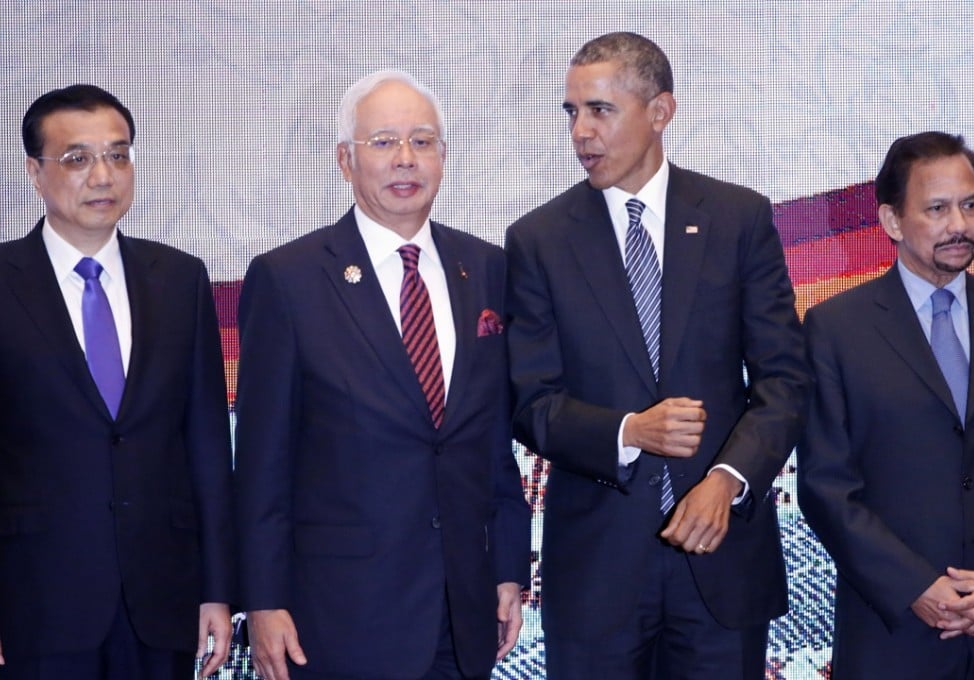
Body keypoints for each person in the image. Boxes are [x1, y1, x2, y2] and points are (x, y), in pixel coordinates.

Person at [505, 32, 810, 679]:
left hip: (722, 563)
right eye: (572, 112)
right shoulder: (539, 240)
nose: (582, 131)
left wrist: (726, 482)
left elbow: (785, 380)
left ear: (660, 111)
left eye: (600, 110)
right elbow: (530, 402)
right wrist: (628, 431)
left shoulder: (738, 219)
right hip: (595, 573)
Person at [234, 69, 531, 680]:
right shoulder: (288, 279)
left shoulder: (488, 267)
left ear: (443, 157)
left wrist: (506, 568)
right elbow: (263, 463)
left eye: (423, 141)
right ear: (346, 159)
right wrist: (263, 601)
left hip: (464, 607)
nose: (405, 159)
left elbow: (491, 441)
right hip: (338, 617)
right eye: (384, 142)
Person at [0, 84, 235, 679]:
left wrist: (216, 588)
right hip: (34, 601)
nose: (103, 175)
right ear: (35, 171)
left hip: (163, 601)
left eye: (119, 154)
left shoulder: (180, 279)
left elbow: (206, 446)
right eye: (77, 158)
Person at [797, 131, 974, 679]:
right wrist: (915, 586)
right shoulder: (836, 329)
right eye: (937, 208)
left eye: (970, 206)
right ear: (893, 221)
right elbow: (826, 486)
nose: (959, 226)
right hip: (893, 634)